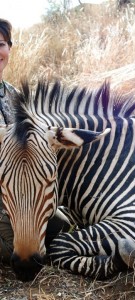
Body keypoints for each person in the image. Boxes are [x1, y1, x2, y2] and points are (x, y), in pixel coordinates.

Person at [0, 18, 72, 264]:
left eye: (0, 44)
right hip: (5, 200)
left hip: (23, 194)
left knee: (63, 226)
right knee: (21, 251)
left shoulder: (14, 95)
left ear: (9, 48)